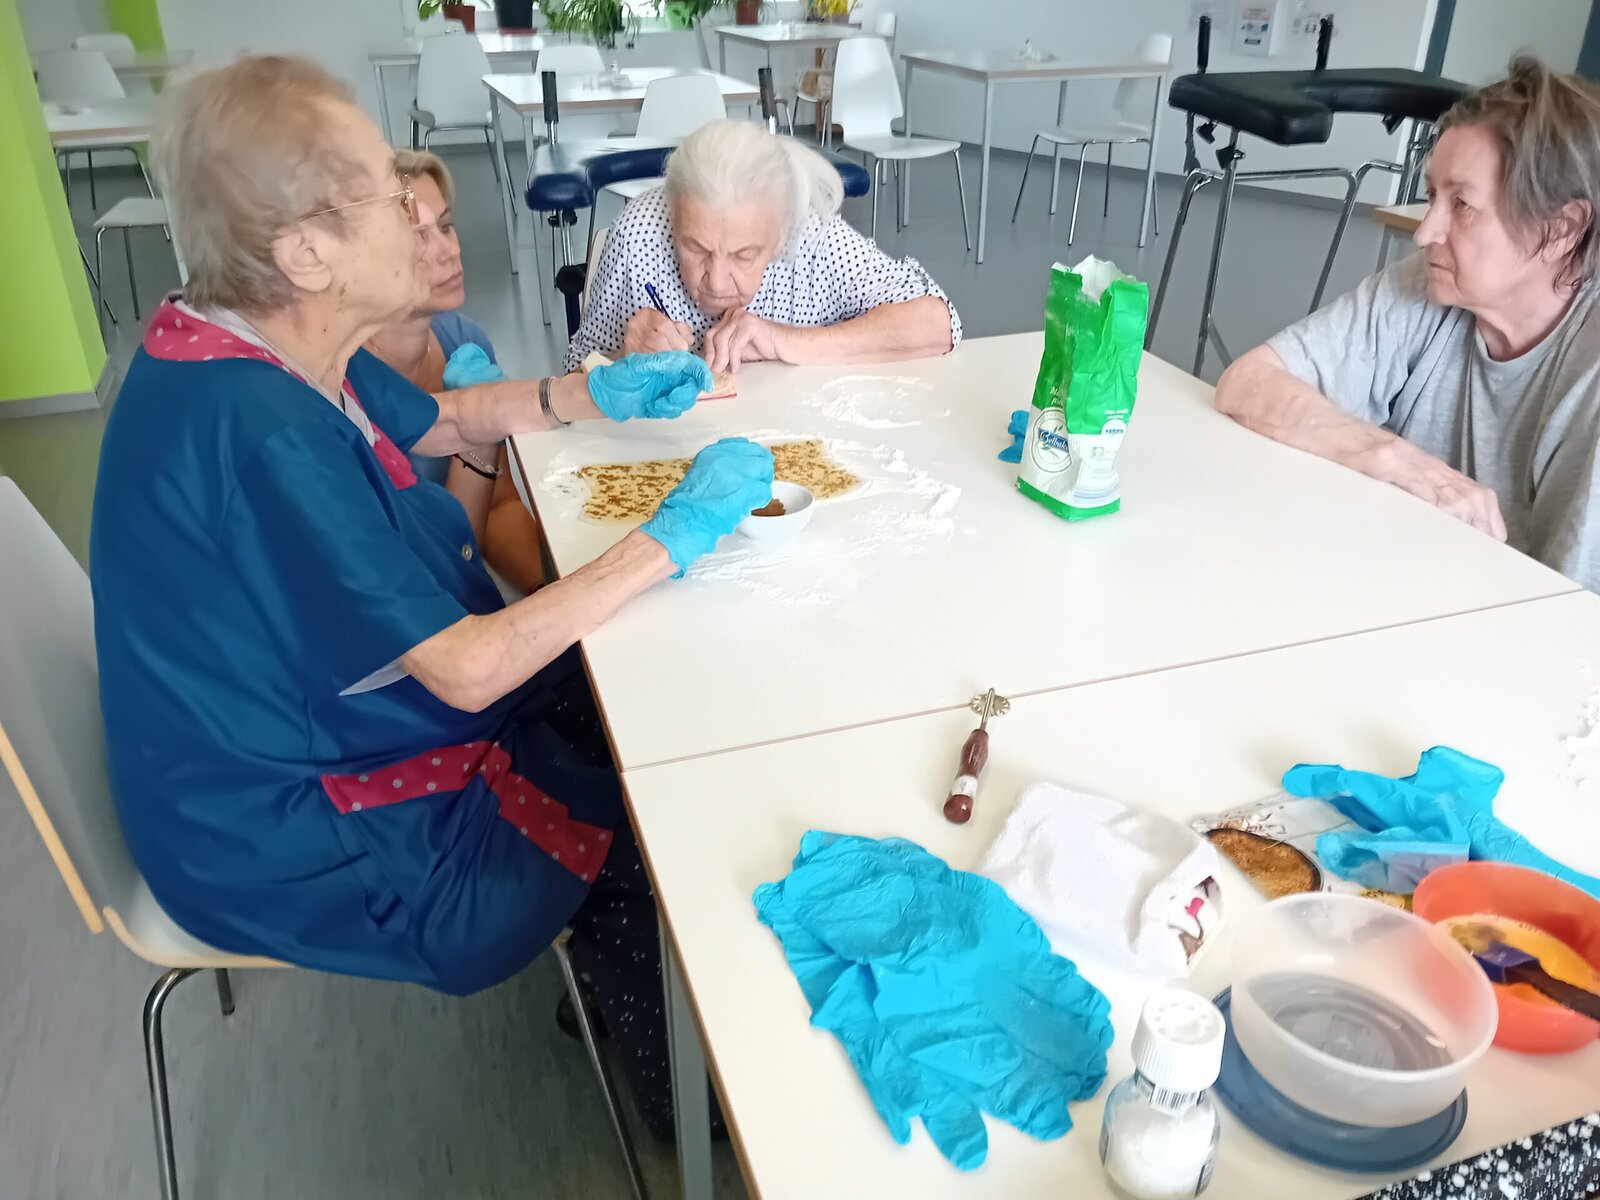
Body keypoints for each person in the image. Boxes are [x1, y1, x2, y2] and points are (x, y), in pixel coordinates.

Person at [90, 56, 772, 1136]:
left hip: (277, 738)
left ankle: (634, 986)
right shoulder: (259, 428)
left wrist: (587, 393)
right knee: (647, 797)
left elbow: (444, 419)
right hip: (286, 831)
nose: (420, 220)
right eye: (384, 197)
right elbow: (465, 669)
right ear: (305, 251)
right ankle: (687, 1110)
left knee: (624, 693)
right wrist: (671, 535)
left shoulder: (262, 330)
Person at [1215, 58, 1600, 590]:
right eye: (1433, 196)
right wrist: (1393, 457)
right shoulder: (1428, 283)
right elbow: (1248, 382)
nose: (1425, 233)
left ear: (1561, 229)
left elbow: (1572, 618)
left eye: (1462, 204)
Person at [566, 118, 963, 375]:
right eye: (696, 248)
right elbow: (572, 371)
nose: (716, 282)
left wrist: (782, 340)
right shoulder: (639, 233)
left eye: (743, 255)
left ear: (781, 237)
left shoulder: (810, 232)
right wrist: (621, 360)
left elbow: (939, 324)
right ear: (674, 216)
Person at [365, 149, 543, 595]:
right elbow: (421, 575)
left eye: (445, 226)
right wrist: (475, 434)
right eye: (417, 239)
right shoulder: (345, 387)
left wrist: (556, 586)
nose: (451, 251)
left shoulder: (464, 340)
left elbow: (498, 508)